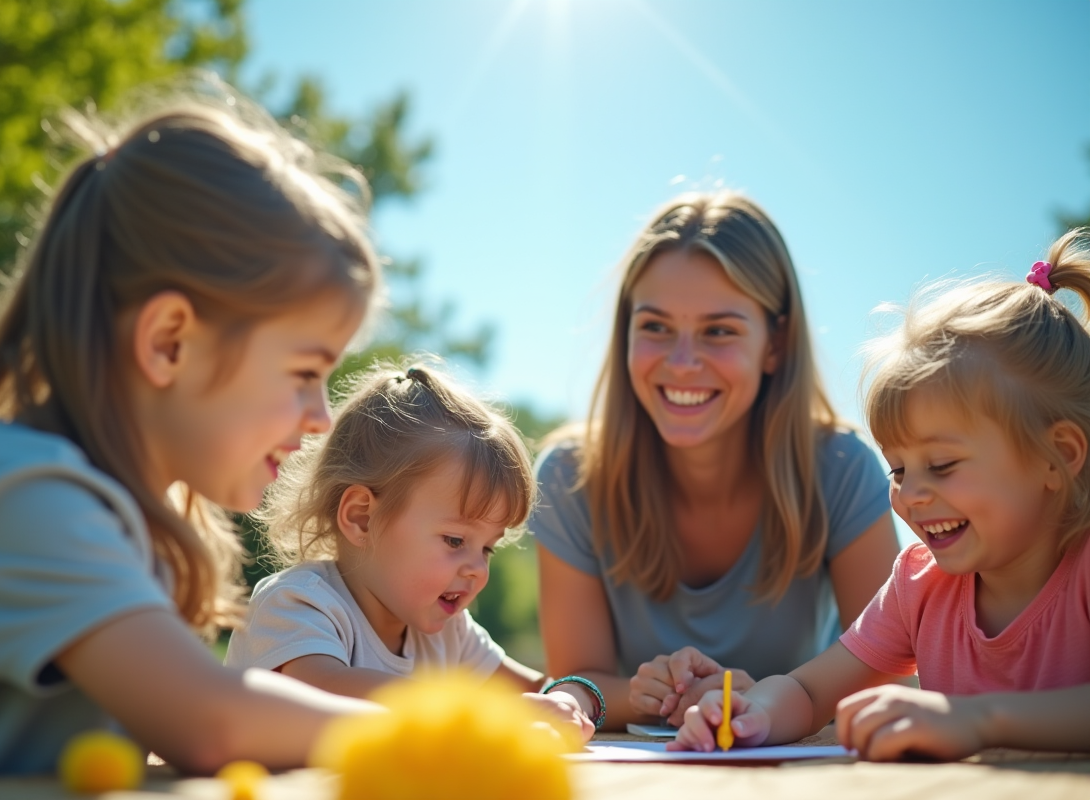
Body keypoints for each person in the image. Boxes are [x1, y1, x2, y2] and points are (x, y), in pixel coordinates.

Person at [0, 84, 383, 787]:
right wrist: (441, 733)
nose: (321, 416)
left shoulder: (113, 521)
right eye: (305, 372)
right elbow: (210, 723)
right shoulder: (14, 495)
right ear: (169, 342)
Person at [672, 231, 1090, 760]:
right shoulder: (920, 585)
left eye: (941, 465)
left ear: (1058, 457)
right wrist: (756, 712)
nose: (911, 494)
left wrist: (982, 719)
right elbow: (810, 689)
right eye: (897, 469)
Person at [531, 191, 901, 729]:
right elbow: (579, 682)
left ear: (775, 343)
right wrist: (665, 695)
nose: (682, 363)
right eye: (655, 326)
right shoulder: (568, 478)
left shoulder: (842, 469)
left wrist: (767, 700)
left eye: (719, 331)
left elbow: (885, 672)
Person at [226, 363, 597, 744]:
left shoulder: (450, 635)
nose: (477, 571)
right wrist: (489, 711)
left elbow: (538, 687)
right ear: (362, 518)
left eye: (488, 548)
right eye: (455, 541)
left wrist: (569, 699)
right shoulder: (297, 603)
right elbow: (325, 689)